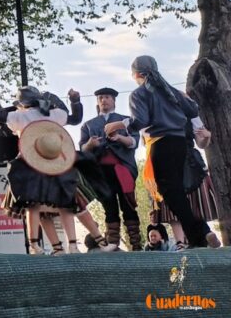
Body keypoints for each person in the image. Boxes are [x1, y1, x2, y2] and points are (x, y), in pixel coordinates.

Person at [124, 55, 221, 249]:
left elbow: (140, 121)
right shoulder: (173, 92)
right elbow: (193, 110)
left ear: (136, 74)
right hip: (180, 144)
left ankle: (199, 235)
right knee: (177, 193)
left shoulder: (138, 94)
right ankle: (199, 235)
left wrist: (122, 124)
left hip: (161, 145)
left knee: (171, 194)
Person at [0, 85, 83, 255]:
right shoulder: (55, 114)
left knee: (33, 206)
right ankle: (73, 244)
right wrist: (74, 100)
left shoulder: (20, 116)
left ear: (21, 103)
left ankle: (36, 246)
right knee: (66, 204)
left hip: (30, 164)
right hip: (55, 164)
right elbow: (75, 118)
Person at [79, 87, 142, 250]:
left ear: (114, 100)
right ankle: (113, 243)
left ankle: (136, 244)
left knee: (128, 204)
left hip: (122, 168)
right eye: (100, 98)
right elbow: (82, 149)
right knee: (109, 206)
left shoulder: (126, 120)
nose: (103, 100)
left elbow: (134, 142)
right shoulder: (89, 125)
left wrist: (120, 137)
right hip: (101, 171)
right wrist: (90, 144)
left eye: (107, 97)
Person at [151, 104, 222, 250]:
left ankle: (185, 241)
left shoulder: (189, 113)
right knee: (185, 204)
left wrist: (207, 137)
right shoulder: (156, 114)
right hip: (173, 161)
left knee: (184, 204)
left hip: (186, 162)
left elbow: (202, 141)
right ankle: (201, 234)